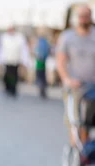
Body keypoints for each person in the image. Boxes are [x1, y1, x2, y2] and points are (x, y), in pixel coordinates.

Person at [56, 4, 95, 145]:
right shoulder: (67, 37)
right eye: (81, 16)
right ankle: (76, 151)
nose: (84, 19)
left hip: (92, 87)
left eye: (86, 16)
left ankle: (84, 150)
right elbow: (60, 62)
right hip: (75, 87)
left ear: (91, 17)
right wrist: (67, 79)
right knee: (75, 122)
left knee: (88, 122)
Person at [0, 26, 29, 98]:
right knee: (7, 75)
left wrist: (24, 60)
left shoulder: (19, 38)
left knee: (14, 76)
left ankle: (13, 89)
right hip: (7, 60)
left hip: (15, 60)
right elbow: (0, 49)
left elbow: (24, 49)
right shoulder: (4, 37)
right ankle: (7, 88)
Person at [34, 29, 51, 99]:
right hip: (43, 61)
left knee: (40, 76)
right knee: (43, 76)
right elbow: (48, 51)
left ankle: (41, 89)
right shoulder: (45, 42)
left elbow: (37, 51)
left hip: (39, 61)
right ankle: (42, 90)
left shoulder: (40, 42)